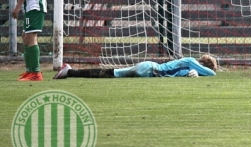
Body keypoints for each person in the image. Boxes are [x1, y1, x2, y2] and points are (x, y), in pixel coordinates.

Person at [53, 54, 217, 79]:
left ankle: (70, 72)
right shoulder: (191, 61)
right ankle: (70, 71)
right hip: (150, 69)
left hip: (149, 69)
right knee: (114, 73)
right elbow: (212, 75)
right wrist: (199, 73)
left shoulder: (189, 69)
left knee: (113, 74)